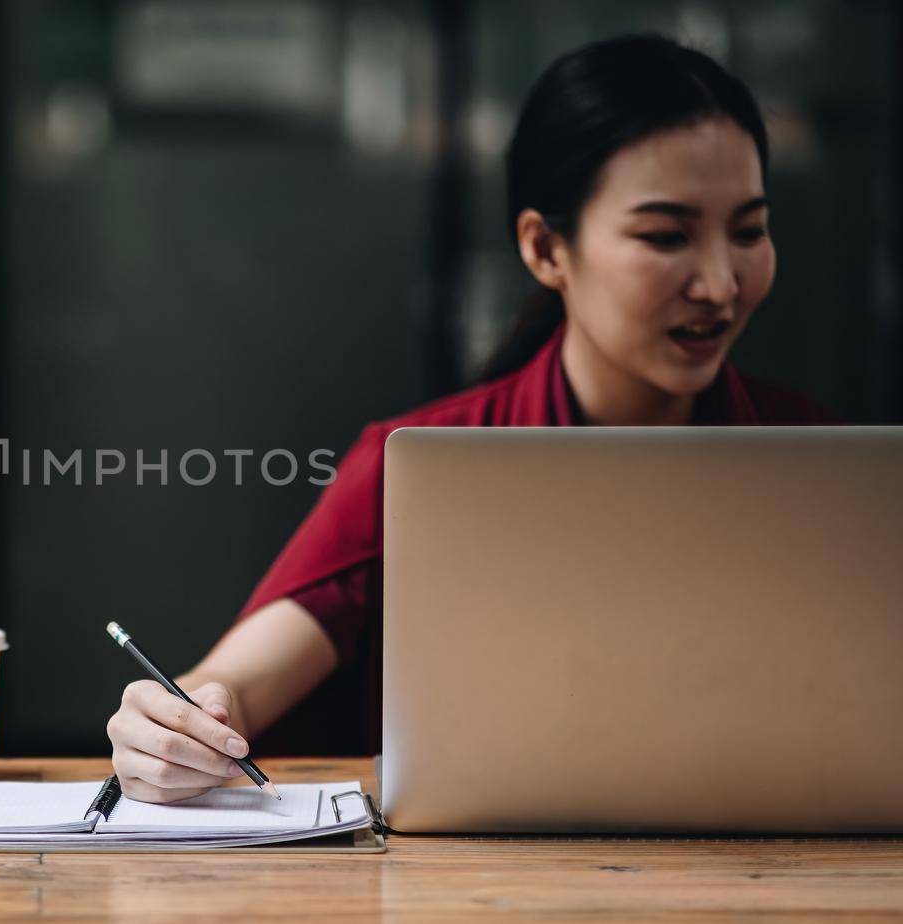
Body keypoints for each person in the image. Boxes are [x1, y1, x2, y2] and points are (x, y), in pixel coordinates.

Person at [105, 33, 843, 804]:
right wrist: (168, 728)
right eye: (666, 236)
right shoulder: (420, 466)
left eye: (750, 231)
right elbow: (233, 688)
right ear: (545, 249)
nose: (722, 285)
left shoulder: (826, 469)